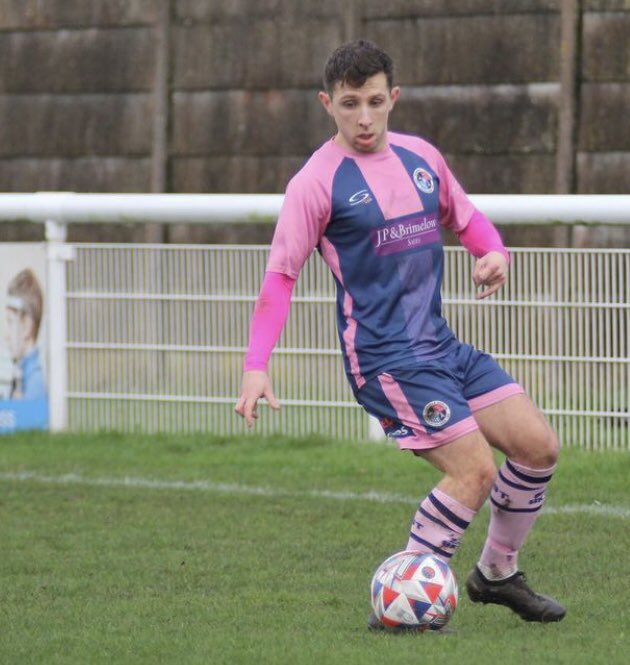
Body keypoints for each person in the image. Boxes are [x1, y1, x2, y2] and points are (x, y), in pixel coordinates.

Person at [234, 39, 565, 627]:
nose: (364, 117)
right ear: (326, 104)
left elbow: (467, 218)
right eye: (349, 104)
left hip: (440, 345)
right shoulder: (315, 183)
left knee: (538, 447)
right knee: (475, 471)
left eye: (375, 102)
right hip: (386, 360)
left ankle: (496, 574)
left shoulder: (420, 158)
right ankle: (403, 603)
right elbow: (280, 278)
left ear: (395, 99)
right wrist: (256, 365)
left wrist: (493, 253)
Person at [5, 268, 46, 400]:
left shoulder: (34, 386)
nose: (6, 335)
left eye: (10, 322)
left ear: (27, 326)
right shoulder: (24, 377)